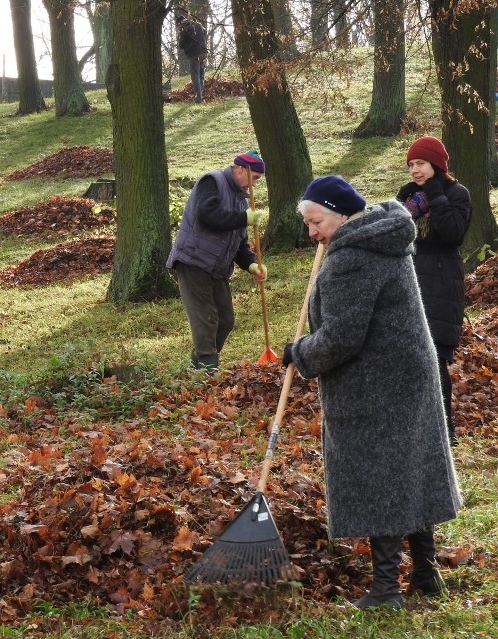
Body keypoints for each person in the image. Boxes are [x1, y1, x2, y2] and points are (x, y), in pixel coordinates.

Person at [283, 175, 462, 609]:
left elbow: (342, 337)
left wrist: (299, 352)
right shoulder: (385, 236)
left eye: (316, 221)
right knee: (410, 465)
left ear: (341, 214)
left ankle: (385, 589)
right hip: (408, 373)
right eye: (307, 224)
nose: (312, 233)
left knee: (379, 473)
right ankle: (425, 571)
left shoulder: (351, 258)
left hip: (375, 383)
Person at [396, 136, 471, 446]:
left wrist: (436, 195)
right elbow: (395, 232)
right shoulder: (407, 195)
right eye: (411, 164)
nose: (415, 170)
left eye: (421, 164)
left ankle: (445, 429)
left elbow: (453, 233)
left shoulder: (457, 193)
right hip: (409, 280)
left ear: (436, 165)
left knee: (436, 357)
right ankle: (413, 427)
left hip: (441, 282)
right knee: (408, 355)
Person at [166, 150, 269, 372]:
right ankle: (206, 371)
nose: (256, 185)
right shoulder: (212, 181)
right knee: (206, 319)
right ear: (241, 169)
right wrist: (243, 218)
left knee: (225, 319)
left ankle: (199, 366)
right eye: (256, 178)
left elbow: (240, 243)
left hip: (217, 268)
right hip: (193, 261)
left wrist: (251, 264)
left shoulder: (242, 202)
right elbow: (207, 214)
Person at [177, 14, 207, 103]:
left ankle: (198, 97)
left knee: (195, 75)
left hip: (194, 54)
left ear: (180, 23)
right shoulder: (198, 25)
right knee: (201, 75)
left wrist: (181, 35)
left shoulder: (184, 31)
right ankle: (201, 95)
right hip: (203, 52)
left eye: (178, 25)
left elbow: (181, 45)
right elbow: (204, 32)